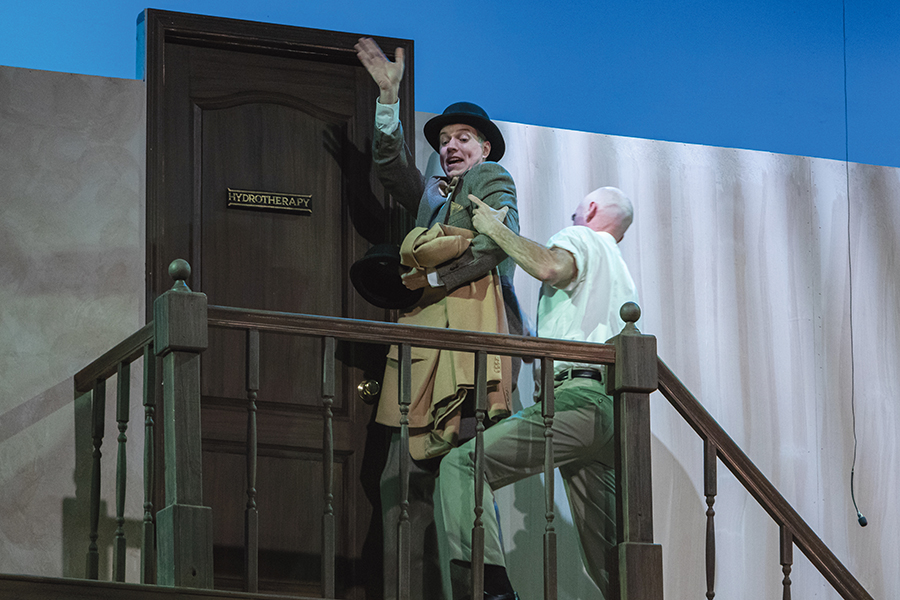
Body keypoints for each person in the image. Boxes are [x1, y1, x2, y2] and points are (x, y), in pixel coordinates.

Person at [355, 37, 526, 600]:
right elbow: (390, 165)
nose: (452, 147)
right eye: (446, 140)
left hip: (470, 340)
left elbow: (495, 244)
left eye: (463, 139)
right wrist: (387, 98)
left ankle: (482, 588)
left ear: (483, 148)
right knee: (396, 477)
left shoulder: (490, 177)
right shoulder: (430, 192)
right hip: (423, 344)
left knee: (462, 467)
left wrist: (429, 276)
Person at [439, 186, 638, 600]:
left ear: (593, 209)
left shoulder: (581, 237)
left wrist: (495, 229)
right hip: (611, 414)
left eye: (576, 209)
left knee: (463, 464)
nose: (571, 214)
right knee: (612, 557)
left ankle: (488, 591)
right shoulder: (621, 273)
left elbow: (549, 267)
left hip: (575, 402)